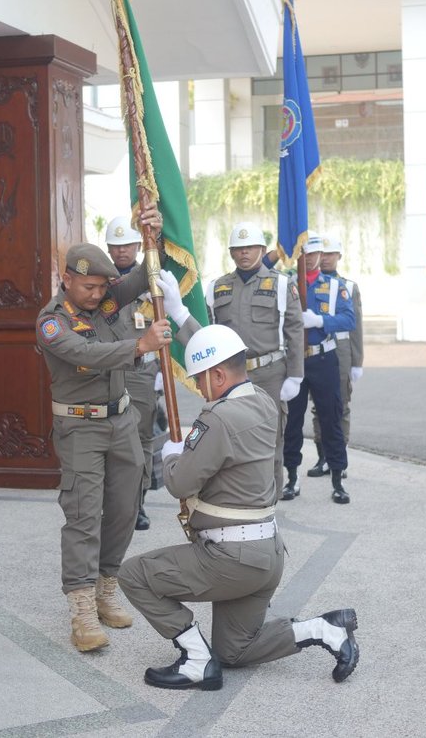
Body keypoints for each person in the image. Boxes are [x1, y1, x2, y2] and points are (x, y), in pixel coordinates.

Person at [117, 316, 359, 691]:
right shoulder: (264, 401)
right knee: (235, 649)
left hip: (231, 559)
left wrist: (171, 454)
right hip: (267, 554)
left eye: (199, 378)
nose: (198, 387)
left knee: (134, 574)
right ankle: (324, 630)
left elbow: (179, 482)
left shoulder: (219, 418)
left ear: (216, 376)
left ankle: (196, 661)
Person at [36, 208, 172, 653]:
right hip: (80, 428)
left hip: (123, 421)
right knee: (83, 515)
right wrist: (139, 345)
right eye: (90, 287)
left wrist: (155, 232)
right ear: (67, 280)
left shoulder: (108, 298)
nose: (98, 294)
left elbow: (149, 269)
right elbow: (86, 352)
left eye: (102, 286)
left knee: (124, 508)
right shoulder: (52, 321)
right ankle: (81, 608)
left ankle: (105, 586)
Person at [206, 221, 304, 498]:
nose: (244, 253)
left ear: (262, 249)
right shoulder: (217, 287)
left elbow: (294, 330)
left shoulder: (282, 284)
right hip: (229, 378)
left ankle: (268, 503)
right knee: (229, 438)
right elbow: (209, 332)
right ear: (231, 253)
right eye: (238, 248)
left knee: (270, 441)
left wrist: (295, 375)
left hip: (269, 374)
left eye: (250, 247)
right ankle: (236, 499)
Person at [282, 233, 356, 504]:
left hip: (324, 358)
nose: (311, 258)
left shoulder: (335, 286)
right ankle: (291, 477)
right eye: (305, 254)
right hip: (295, 360)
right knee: (292, 422)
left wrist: (320, 321)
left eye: (314, 254)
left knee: (331, 419)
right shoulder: (288, 284)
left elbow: (349, 320)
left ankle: (337, 479)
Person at [105, 215, 161, 530]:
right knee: (109, 438)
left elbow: (168, 322)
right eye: (115, 245)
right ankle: (113, 504)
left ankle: (138, 504)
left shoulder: (153, 277)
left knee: (140, 439)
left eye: (127, 244)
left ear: (138, 245)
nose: (121, 251)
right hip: (109, 367)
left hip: (142, 370)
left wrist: (165, 370)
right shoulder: (100, 283)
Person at [308, 235, 364, 477]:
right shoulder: (305, 283)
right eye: (324, 253)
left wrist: (357, 362)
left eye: (331, 254)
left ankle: (338, 457)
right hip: (315, 351)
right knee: (318, 408)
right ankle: (323, 457)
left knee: (339, 406)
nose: (327, 258)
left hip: (340, 351)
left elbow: (356, 326)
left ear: (339, 256)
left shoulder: (348, 287)